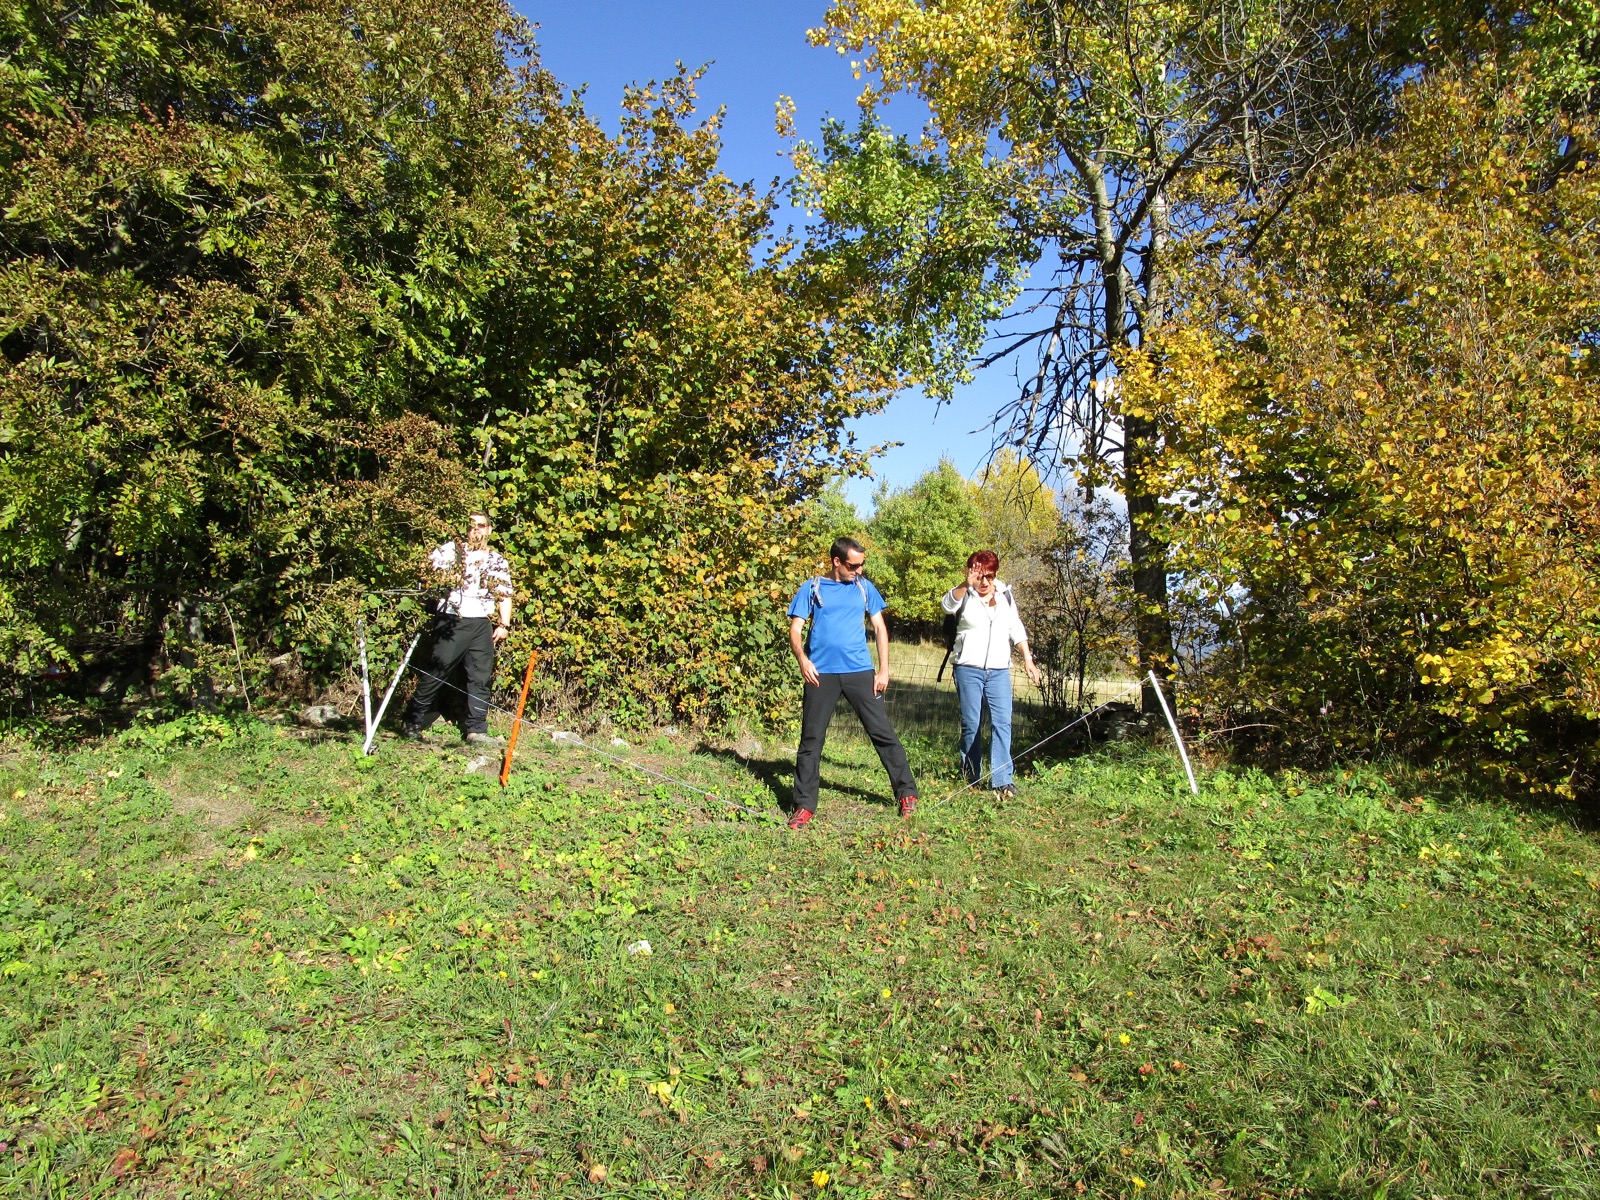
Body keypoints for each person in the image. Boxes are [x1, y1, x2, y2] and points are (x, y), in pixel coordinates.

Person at [785, 537, 919, 829]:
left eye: (861, 565)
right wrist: (803, 660)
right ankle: (804, 806)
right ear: (836, 562)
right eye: (853, 565)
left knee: (882, 732)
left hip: (860, 672)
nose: (859, 570)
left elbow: (880, 627)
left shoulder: (864, 588)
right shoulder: (812, 588)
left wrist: (884, 670)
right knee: (811, 740)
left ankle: (906, 793)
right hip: (821, 675)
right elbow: (795, 629)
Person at [401, 513, 514, 746]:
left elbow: (504, 592)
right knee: (437, 672)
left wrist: (504, 624)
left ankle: (477, 731)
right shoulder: (451, 552)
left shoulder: (496, 559)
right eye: (471, 526)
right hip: (452, 619)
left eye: (481, 526)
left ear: (489, 530)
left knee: (480, 677)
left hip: (481, 622)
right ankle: (411, 723)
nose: (476, 530)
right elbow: (423, 575)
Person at [941, 550, 1041, 800]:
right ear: (972, 573)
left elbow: (1015, 626)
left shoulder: (1005, 594)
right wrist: (967, 584)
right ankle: (970, 776)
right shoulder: (965, 594)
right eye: (980, 576)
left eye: (990, 576)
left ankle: (1002, 780)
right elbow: (946, 605)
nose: (985, 582)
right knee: (972, 724)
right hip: (968, 668)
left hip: (998, 670)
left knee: (1002, 722)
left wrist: (1028, 659)